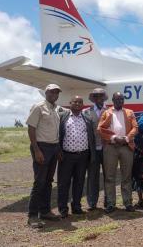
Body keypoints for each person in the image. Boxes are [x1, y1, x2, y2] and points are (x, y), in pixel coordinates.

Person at [26, 84, 63, 228]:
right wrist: (36, 150)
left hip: (53, 148)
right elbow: (31, 128)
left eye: (57, 92)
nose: (55, 94)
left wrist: (58, 148)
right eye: (52, 92)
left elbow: (55, 131)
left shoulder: (55, 109)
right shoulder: (38, 107)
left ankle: (45, 211)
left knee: (48, 181)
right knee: (39, 181)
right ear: (46, 92)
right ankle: (32, 216)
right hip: (42, 147)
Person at [98, 92, 138, 213]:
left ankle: (128, 202)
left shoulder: (129, 112)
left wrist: (126, 138)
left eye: (121, 99)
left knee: (126, 176)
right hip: (111, 146)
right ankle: (110, 203)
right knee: (110, 176)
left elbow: (135, 128)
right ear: (113, 100)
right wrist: (114, 138)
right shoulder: (106, 112)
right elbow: (100, 128)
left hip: (126, 146)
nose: (120, 101)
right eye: (117, 99)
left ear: (123, 100)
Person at [57, 96, 95, 218]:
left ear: (83, 104)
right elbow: (57, 135)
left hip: (82, 155)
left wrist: (90, 154)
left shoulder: (87, 118)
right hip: (66, 156)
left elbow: (91, 137)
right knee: (64, 183)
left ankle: (76, 206)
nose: (78, 104)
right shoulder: (63, 117)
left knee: (79, 182)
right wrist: (58, 150)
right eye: (75, 102)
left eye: (80, 102)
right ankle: (63, 208)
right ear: (70, 103)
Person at [83, 88, 108, 211]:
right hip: (93, 150)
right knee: (93, 176)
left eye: (101, 96)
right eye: (96, 96)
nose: (99, 98)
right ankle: (92, 202)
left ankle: (109, 201)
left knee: (109, 176)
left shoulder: (110, 111)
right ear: (93, 98)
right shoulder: (86, 112)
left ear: (104, 97)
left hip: (108, 149)